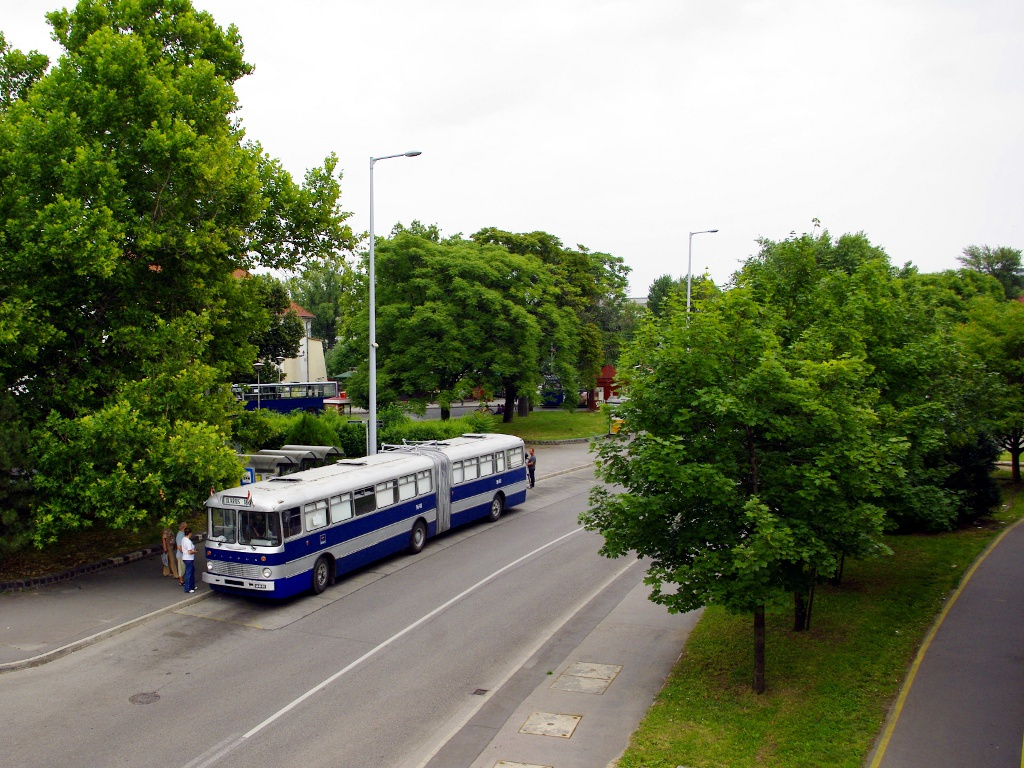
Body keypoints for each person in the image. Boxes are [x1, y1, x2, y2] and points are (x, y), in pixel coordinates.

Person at [181, 527, 197, 593]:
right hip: (189, 558)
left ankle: (192, 585)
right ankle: (187, 588)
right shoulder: (188, 541)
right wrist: (195, 552)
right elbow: (189, 552)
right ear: (190, 533)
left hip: (185, 557)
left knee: (192, 571)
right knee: (189, 573)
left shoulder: (183, 539)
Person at [175, 521, 187, 586]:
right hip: (181, 555)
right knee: (181, 568)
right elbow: (179, 546)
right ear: (183, 527)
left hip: (182, 554)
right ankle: (181, 580)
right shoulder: (180, 535)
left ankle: (183, 579)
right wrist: (185, 552)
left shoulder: (182, 534)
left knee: (183, 567)